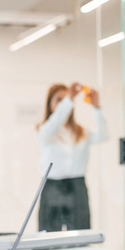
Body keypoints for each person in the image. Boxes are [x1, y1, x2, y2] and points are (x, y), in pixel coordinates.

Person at [35, 82, 107, 232]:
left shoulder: (81, 132)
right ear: (49, 104)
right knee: (48, 238)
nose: (64, 103)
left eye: (66, 99)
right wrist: (69, 99)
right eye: (59, 99)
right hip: (52, 188)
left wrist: (97, 107)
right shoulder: (44, 131)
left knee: (81, 236)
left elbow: (103, 135)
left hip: (77, 187)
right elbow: (54, 122)